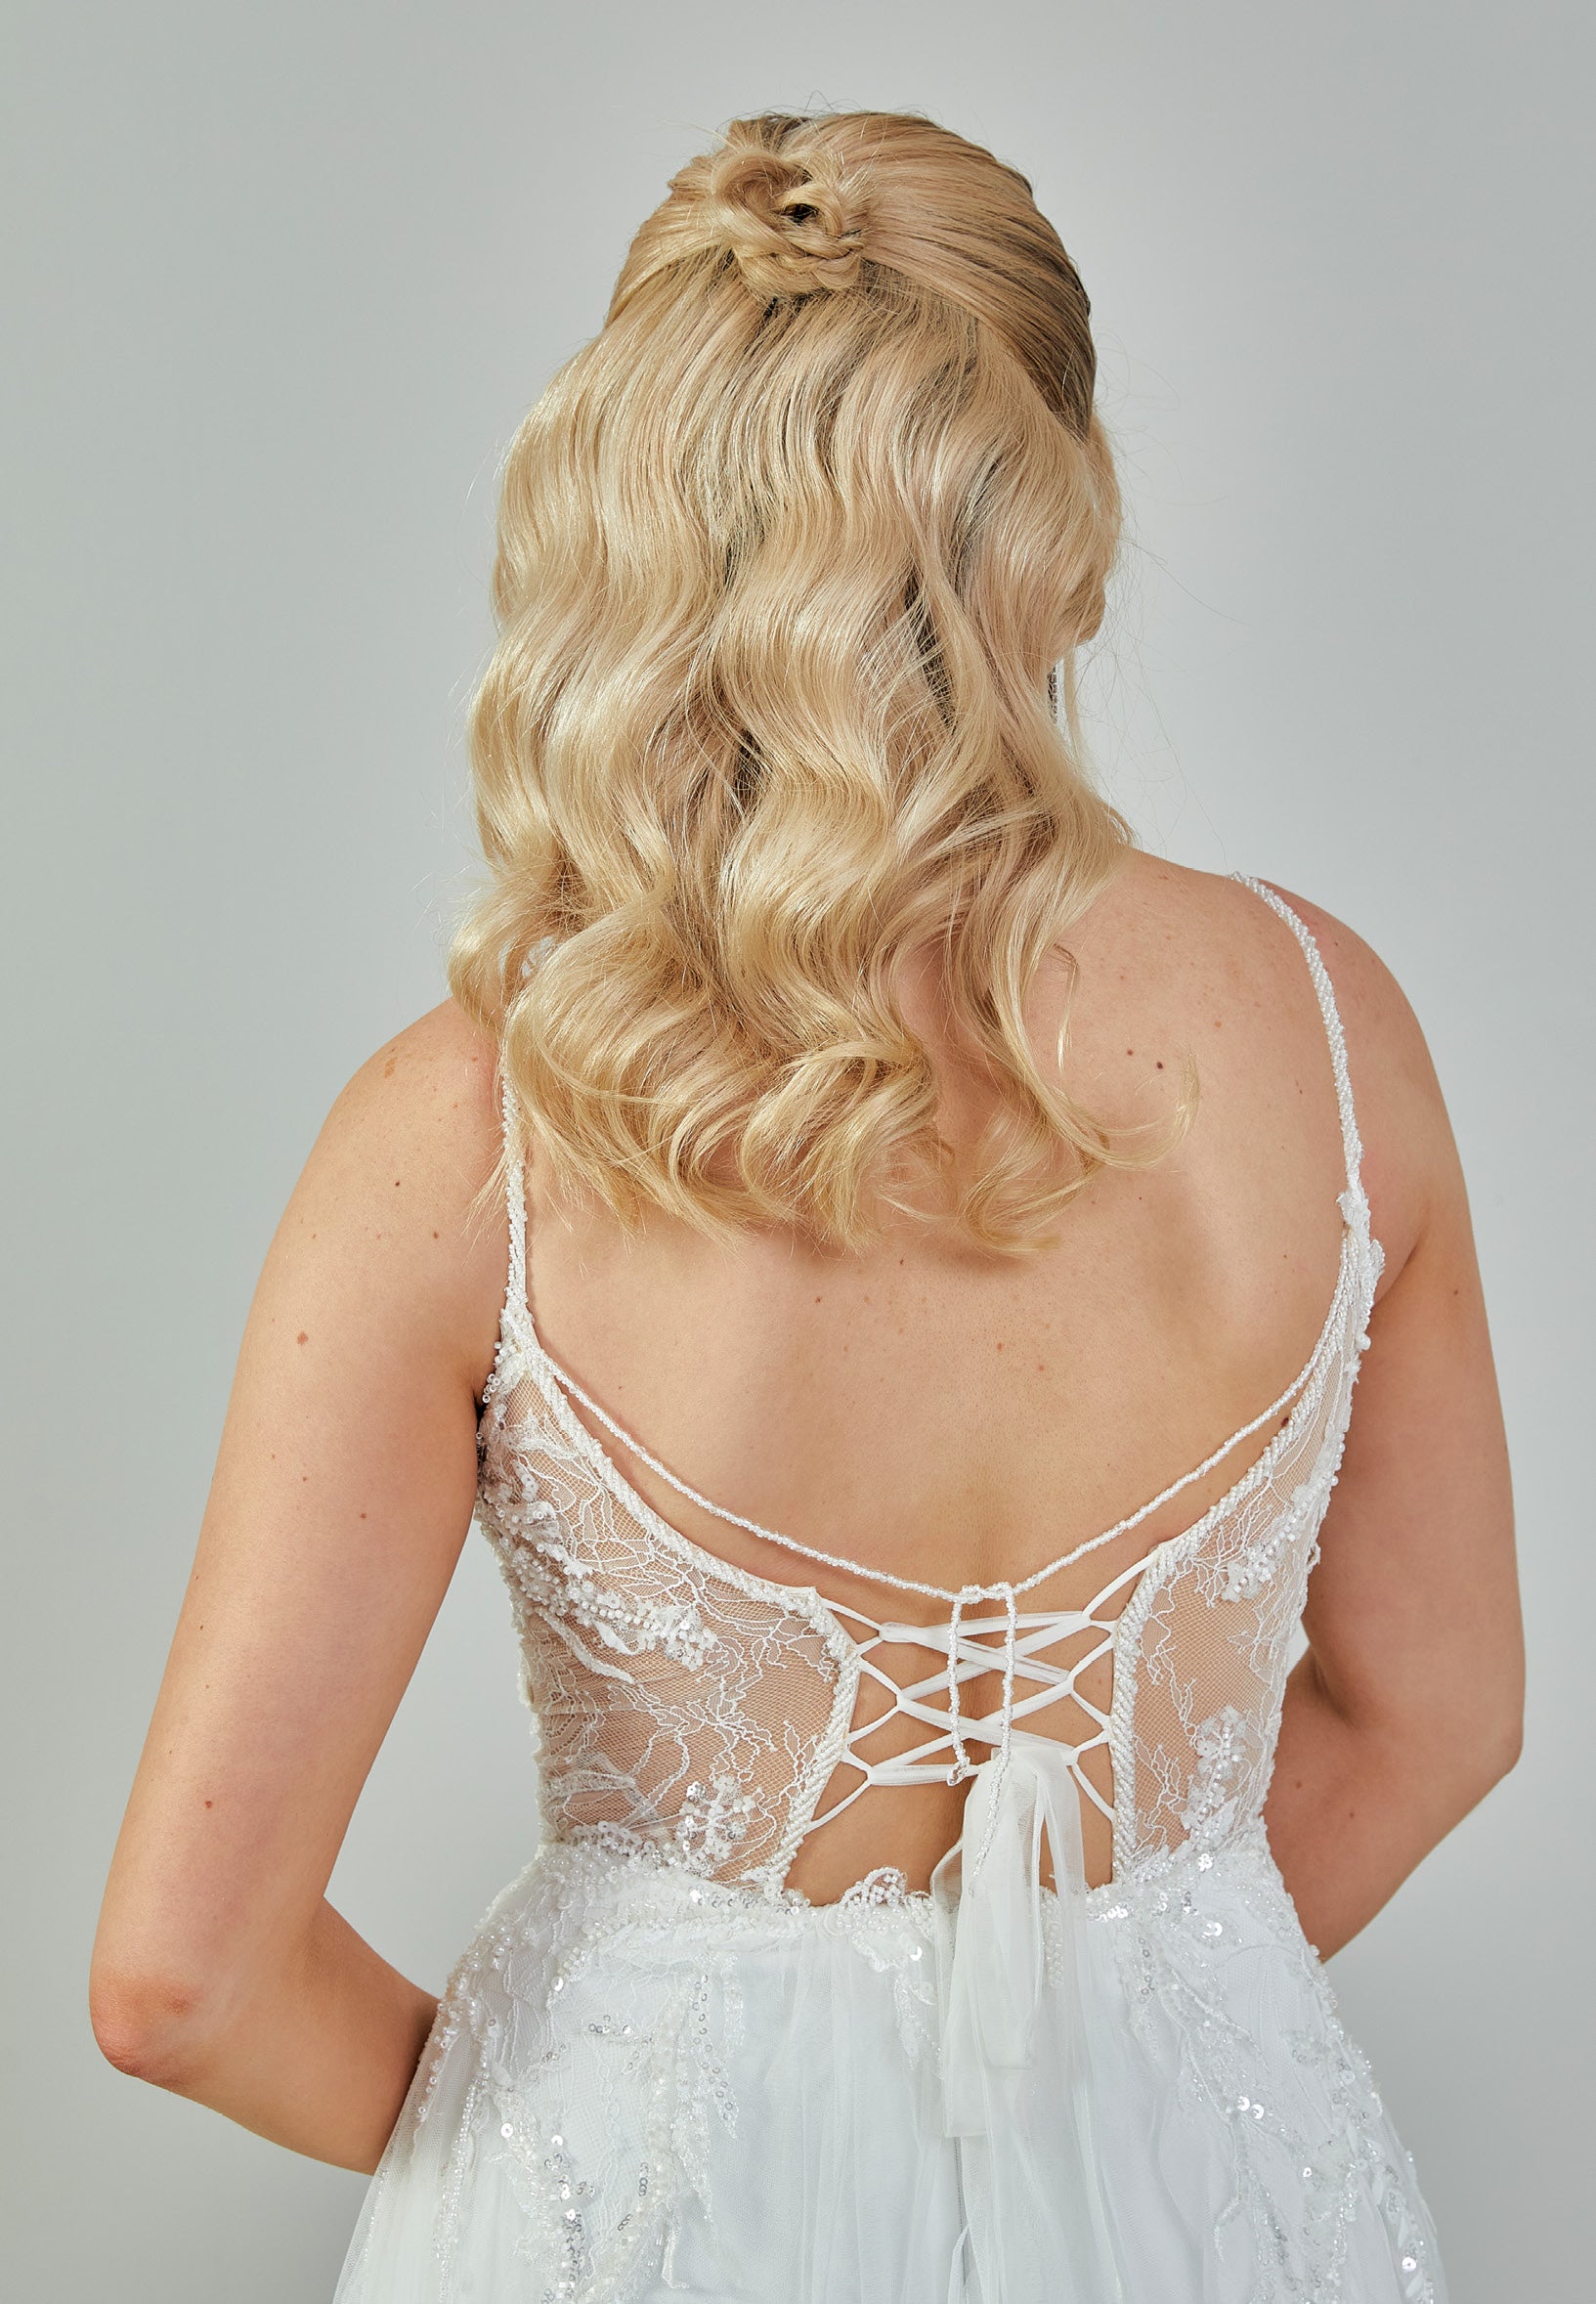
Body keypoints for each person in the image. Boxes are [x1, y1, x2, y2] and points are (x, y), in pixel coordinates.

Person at [90, 109, 1522, 2302]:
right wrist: (1100, 2044)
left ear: (647, 515)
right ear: (1070, 507)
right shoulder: (1332, 1038)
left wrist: (595, 2137)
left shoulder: (465, 1131)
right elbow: (1440, 1714)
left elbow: (180, 1982)